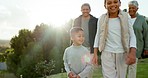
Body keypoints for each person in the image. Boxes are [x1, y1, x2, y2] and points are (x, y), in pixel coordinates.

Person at [93, 0, 137, 78]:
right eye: (109, 3)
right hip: (107, 53)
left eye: (115, 2)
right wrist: (95, 54)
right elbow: (97, 35)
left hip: (122, 53)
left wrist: (132, 52)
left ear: (120, 3)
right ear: (105, 5)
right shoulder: (101, 18)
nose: (112, 5)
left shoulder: (126, 17)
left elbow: (132, 35)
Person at [128, 0, 148, 78]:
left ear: (137, 9)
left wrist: (146, 48)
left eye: (133, 8)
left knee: (132, 68)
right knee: (122, 67)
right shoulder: (126, 18)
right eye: (130, 8)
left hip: (136, 47)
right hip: (124, 47)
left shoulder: (141, 19)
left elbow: (146, 34)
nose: (131, 10)